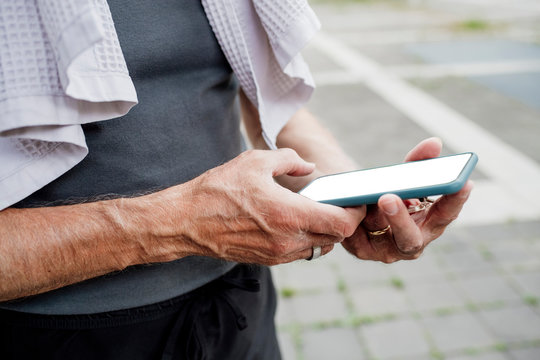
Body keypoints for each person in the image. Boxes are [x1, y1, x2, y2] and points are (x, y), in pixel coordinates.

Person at [0, 1, 472, 359]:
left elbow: (271, 103)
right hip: (59, 334)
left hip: (236, 303)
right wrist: (179, 221)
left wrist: (345, 185)